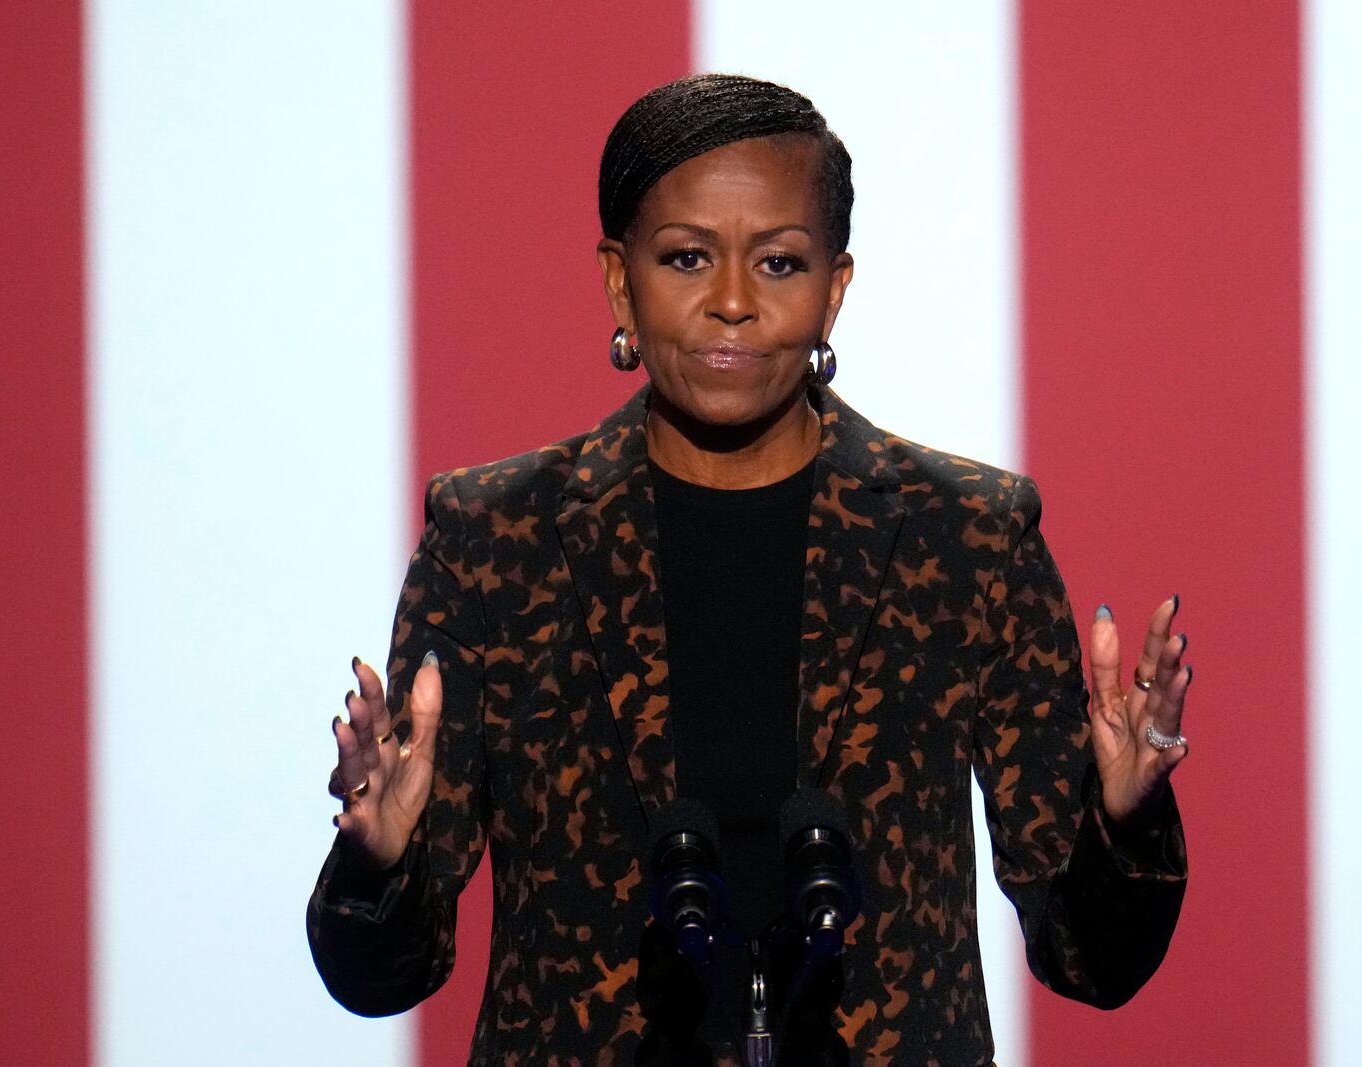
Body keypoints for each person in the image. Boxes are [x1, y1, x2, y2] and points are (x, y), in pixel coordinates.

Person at [308, 74, 1190, 1066]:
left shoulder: (966, 539)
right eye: (686, 257)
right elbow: (387, 974)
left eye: (778, 262)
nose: (731, 302)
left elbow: (1088, 959)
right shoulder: (495, 540)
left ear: (835, 288)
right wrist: (378, 856)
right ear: (618, 281)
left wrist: (1124, 819)